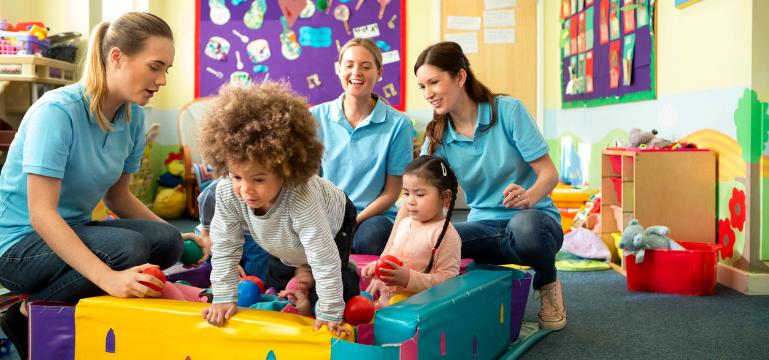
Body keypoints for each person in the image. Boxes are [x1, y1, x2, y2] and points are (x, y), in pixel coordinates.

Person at [0, 13, 205, 359]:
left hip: (74, 231)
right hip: (17, 246)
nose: (162, 79)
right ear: (117, 57)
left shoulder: (134, 118)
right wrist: (109, 278)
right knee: (127, 250)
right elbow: (41, 215)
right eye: (155, 66)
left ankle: (76, 300)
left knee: (167, 241)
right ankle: (26, 313)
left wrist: (175, 232)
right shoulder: (57, 112)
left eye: (166, 69)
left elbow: (119, 196)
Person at [409, 42, 566, 330]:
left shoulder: (508, 111)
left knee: (524, 227)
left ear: (459, 77)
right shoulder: (437, 136)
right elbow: (417, 193)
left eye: (434, 82)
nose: (428, 93)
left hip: (535, 225)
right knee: (432, 239)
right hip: (483, 229)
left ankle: (548, 282)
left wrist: (529, 197)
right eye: (422, 86)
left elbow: (549, 174)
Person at [197, 81, 359, 336]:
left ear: (286, 171)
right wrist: (224, 295)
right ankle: (297, 266)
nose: (246, 190)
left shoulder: (301, 196)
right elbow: (225, 244)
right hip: (280, 233)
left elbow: (323, 257)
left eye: (258, 179)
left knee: (327, 290)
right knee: (276, 286)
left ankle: (350, 272)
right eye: (237, 176)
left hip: (332, 222)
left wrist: (329, 312)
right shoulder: (228, 190)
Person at [310, 38, 414, 256]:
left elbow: (392, 191)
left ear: (379, 73)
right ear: (339, 70)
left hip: (372, 217)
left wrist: (354, 221)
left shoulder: (398, 124)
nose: (356, 72)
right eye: (349, 65)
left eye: (366, 67)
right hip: (324, 214)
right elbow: (310, 181)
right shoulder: (315, 117)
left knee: (374, 237)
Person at [362, 156, 461, 307]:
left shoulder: (445, 234)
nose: (410, 201)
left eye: (419, 194)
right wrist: (377, 268)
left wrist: (409, 279)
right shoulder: (404, 223)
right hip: (385, 307)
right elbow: (395, 258)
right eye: (406, 193)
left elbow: (449, 282)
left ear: (444, 196)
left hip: (417, 314)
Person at [197, 178, 270, 280]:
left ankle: (250, 286)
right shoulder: (212, 193)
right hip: (215, 240)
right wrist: (228, 263)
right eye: (237, 177)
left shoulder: (268, 189)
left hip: (248, 239)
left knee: (263, 247)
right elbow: (206, 235)